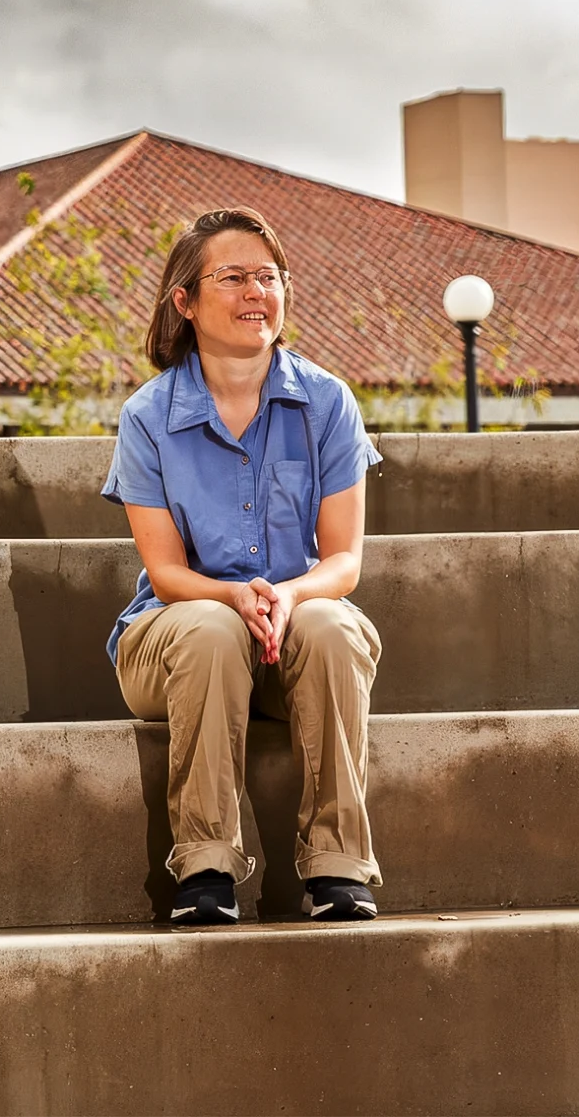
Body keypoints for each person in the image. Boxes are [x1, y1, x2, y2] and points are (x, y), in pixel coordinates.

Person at [101, 206, 385, 925]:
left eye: (269, 276)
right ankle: (204, 867)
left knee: (328, 624)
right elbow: (167, 576)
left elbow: (343, 561)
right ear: (186, 301)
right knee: (206, 627)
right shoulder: (147, 416)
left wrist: (286, 597)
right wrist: (235, 595)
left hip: (288, 635)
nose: (256, 290)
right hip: (176, 640)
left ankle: (338, 867)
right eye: (233, 277)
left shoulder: (327, 403)